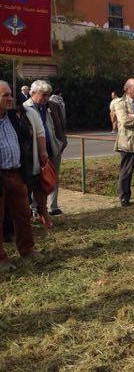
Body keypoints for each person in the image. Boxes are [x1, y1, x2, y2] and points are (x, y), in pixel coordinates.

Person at [0, 81, 42, 273]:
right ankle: (1, 259)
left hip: (16, 173)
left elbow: (26, 135)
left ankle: (27, 249)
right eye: (5, 96)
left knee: (23, 214)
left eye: (10, 94)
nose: (10, 99)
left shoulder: (13, 116)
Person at [24, 80, 67, 216]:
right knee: (35, 179)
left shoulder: (53, 106)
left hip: (53, 147)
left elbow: (61, 124)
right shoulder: (25, 107)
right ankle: (35, 207)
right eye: (43, 95)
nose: (46, 98)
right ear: (33, 93)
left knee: (53, 176)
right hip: (33, 150)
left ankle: (53, 206)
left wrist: (62, 142)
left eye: (48, 95)